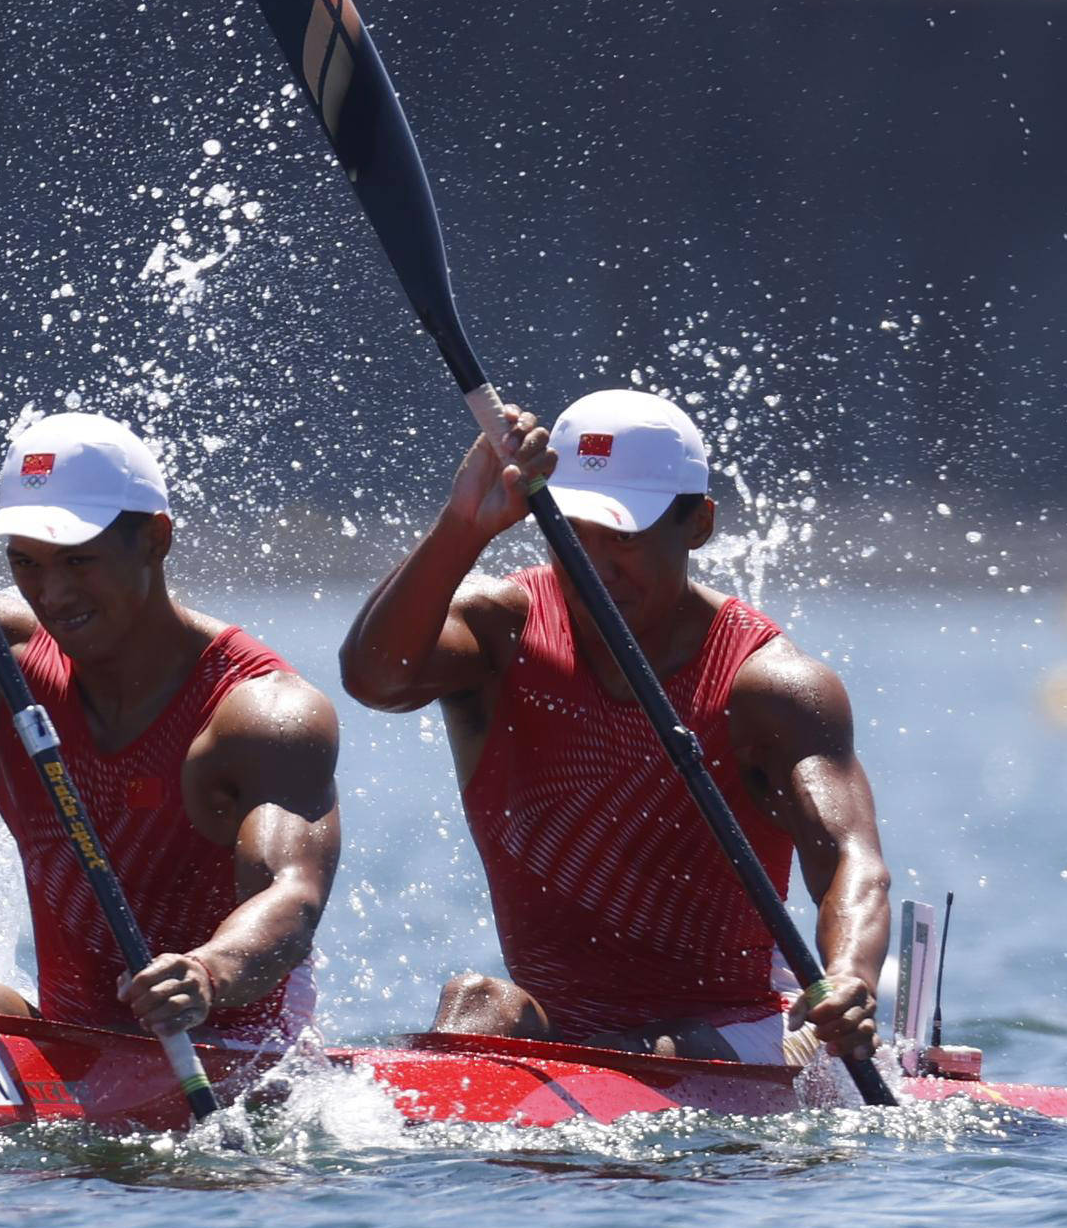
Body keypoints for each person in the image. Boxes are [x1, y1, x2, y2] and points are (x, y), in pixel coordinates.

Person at [337, 387, 886, 1067]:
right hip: (568, 1020)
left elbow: (850, 862)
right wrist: (462, 526)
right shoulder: (501, 629)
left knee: (659, 1049)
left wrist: (852, 978)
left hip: (736, 1023)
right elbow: (374, 680)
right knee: (475, 1002)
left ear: (699, 524)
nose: (593, 565)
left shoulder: (771, 686)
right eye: (573, 534)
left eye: (622, 537)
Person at [0, 408, 341, 1044]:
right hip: (83, 1039)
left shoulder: (260, 712)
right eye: (26, 563)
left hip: (233, 1048)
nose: (52, 593)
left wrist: (205, 972)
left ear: (154, 540)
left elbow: (294, 894)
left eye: (78, 561)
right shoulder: (0, 659)